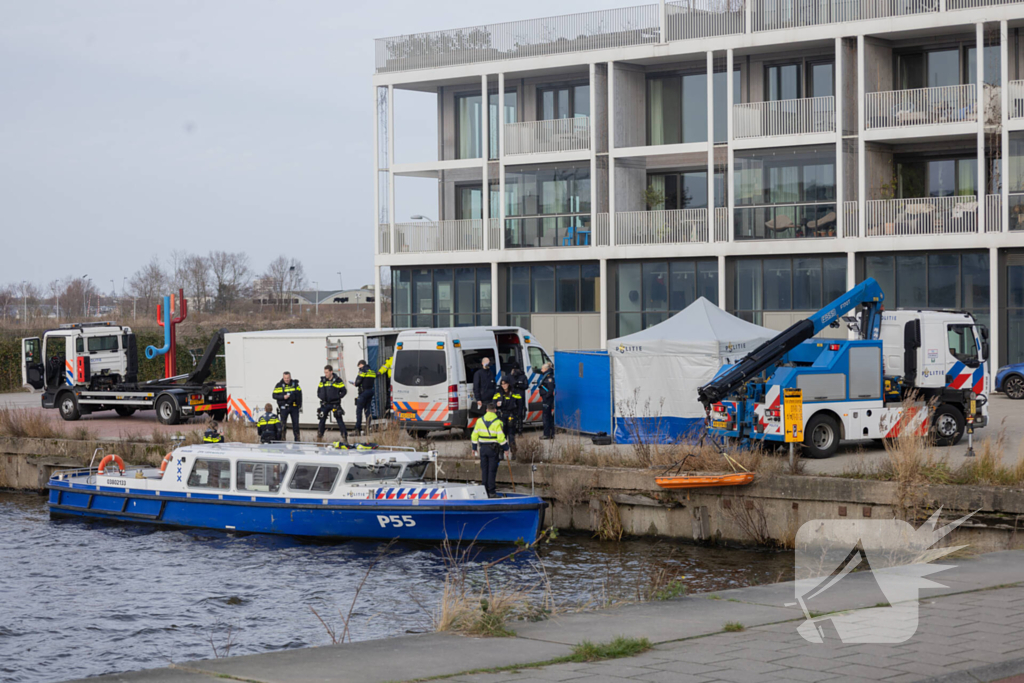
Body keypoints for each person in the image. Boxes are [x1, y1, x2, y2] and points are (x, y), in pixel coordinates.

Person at [471, 401, 509, 498]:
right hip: (493, 449)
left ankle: (484, 491)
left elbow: (474, 435)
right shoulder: (498, 422)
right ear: (495, 410)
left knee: (484, 470)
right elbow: (501, 438)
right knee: (492, 470)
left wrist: (474, 448)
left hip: (483, 448)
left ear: (487, 410)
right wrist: (506, 448)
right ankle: (491, 492)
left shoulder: (479, 421)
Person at [317, 364, 348, 442]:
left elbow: (344, 391)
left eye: (327, 372)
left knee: (339, 419)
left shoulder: (338, 380)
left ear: (331, 372)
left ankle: (344, 435)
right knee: (322, 419)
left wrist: (337, 397)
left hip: (335, 403)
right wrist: (322, 397)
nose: (325, 374)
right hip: (325, 404)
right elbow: (319, 391)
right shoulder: (323, 380)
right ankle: (320, 435)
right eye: (325, 372)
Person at [493, 378, 522, 455]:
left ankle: (513, 453)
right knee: (502, 436)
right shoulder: (498, 394)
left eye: (505, 383)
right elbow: (493, 405)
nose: (504, 385)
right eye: (502, 384)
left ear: (508, 384)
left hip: (511, 416)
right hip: (502, 416)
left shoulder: (515, 393)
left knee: (511, 435)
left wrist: (518, 416)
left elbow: (520, 406)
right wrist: (496, 405)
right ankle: (501, 453)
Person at [272, 371, 303, 441]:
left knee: (296, 425)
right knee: (282, 425)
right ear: (283, 378)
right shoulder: (279, 385)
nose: (286, 379)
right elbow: (274, 395)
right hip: (283, 407)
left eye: (288, 378)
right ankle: (282, 439)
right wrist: (283, 397)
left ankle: (297, 440)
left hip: (294, 407)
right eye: (285, 378)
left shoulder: (295, 384)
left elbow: (300, 395)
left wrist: (299, 405)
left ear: (290, 377)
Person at [352, 360, 377, 435]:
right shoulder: (372, 371)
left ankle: (358, 430)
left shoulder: (362, 371)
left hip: (363, 393)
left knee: (359, 411)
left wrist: (355, 383)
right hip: (370, 392)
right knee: (367, 411)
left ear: (361, 364)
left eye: (359, 366)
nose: (359, 368)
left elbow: (358, 381)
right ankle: (368, 429)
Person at [508, 362, 529, 434]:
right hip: (512, 398)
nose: (515, 371)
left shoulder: (523, 377)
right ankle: (512, 429)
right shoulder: (510, 376)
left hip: (520, 397)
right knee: (512, 414)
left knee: (520, 414)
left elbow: (526, 386)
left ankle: (520, 430)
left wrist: (518, 385)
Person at [539, 362, 556, 440]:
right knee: (548, 416)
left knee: (546, 416)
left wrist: (546, 397)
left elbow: (550, 389)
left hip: (547, 399)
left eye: (542, 368)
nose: (541, 369)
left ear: (546, 369)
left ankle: (547, 434)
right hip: (546, 398)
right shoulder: (546, 376)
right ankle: (551, 433)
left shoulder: (549, 377)